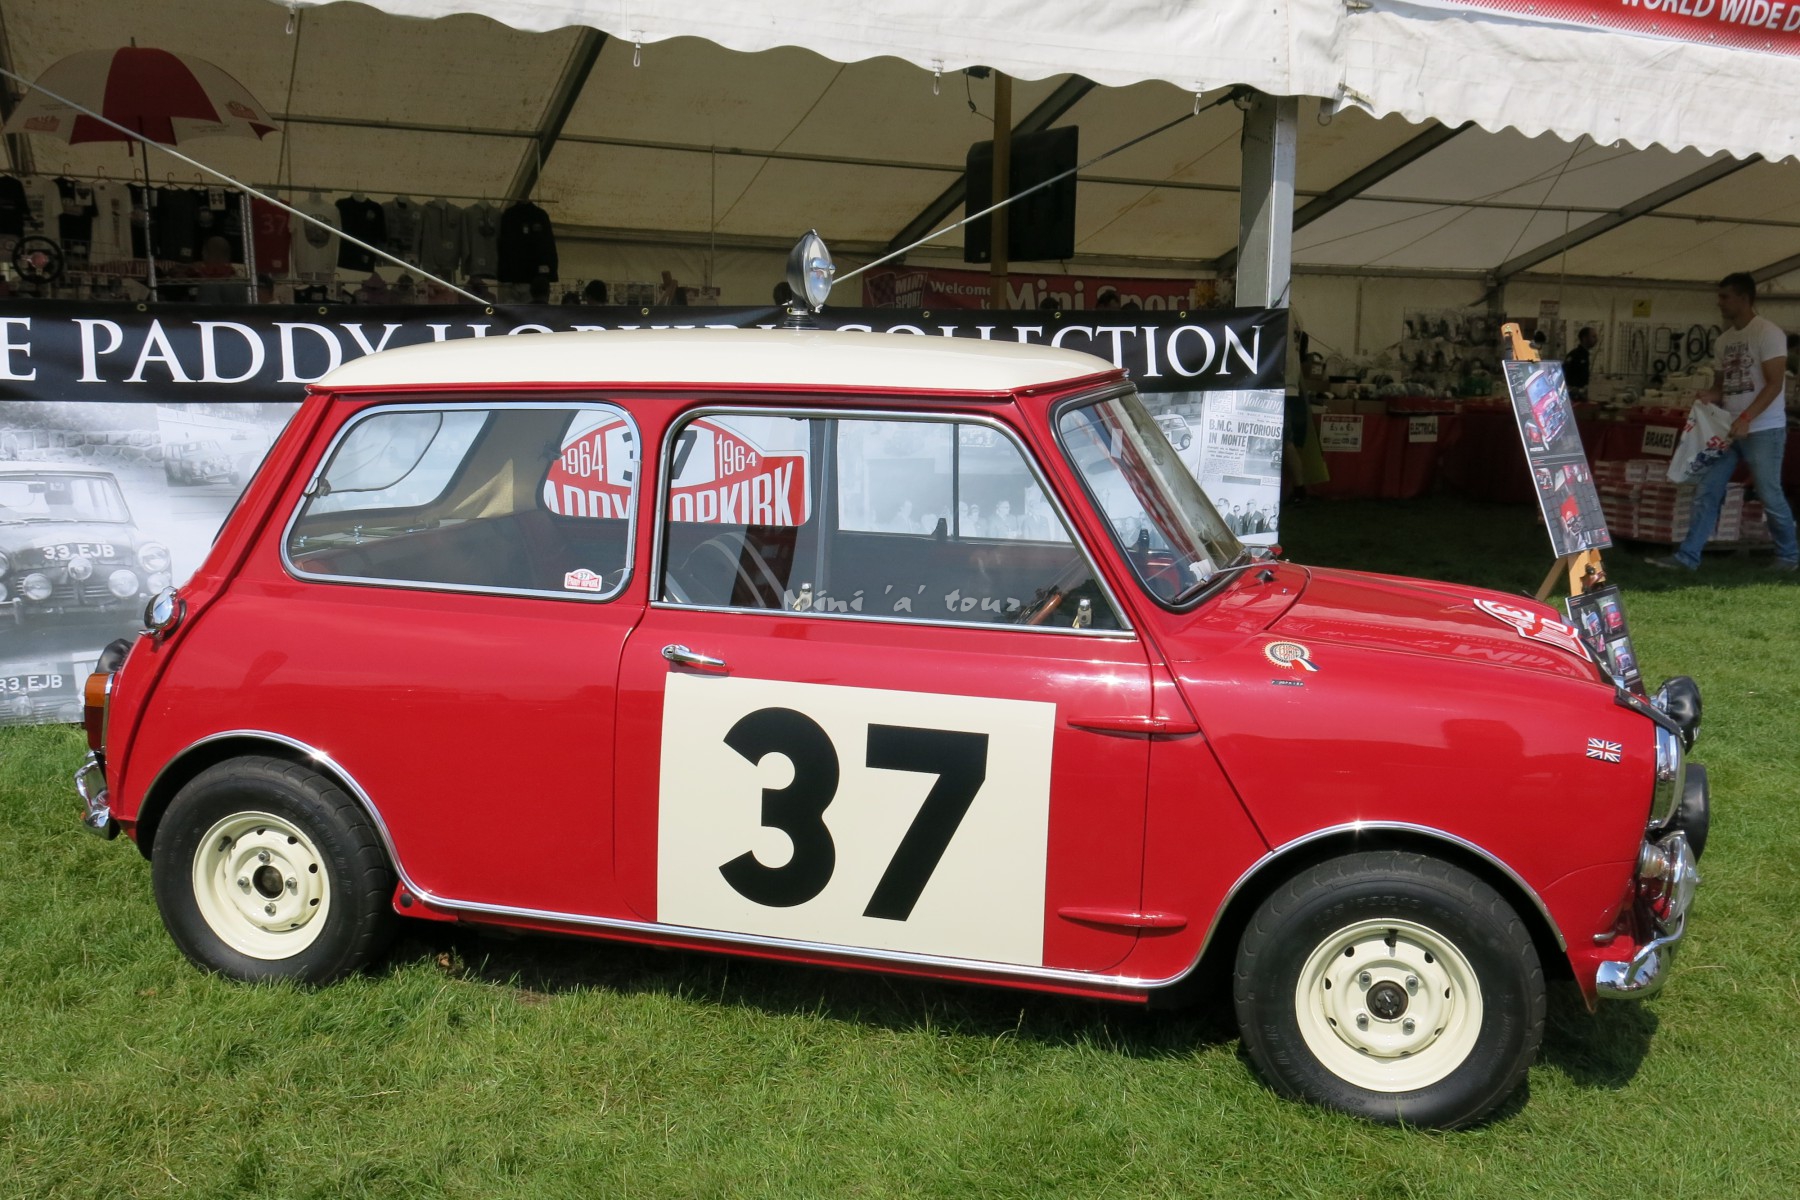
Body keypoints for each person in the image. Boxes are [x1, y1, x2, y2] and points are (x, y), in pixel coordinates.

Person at [1648, 272, 1798, 572]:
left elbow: (1774, 384)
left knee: (1769, 494)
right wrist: (1709, 396)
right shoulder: (1724, 340)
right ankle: (1688, 556)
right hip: (1728, 429)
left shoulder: (1768, 333)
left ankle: (1789, 555)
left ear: (1744, 297)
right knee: (1708, 490)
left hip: (1763, 428)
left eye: (1724, 296)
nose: (1719, 302)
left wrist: (1746, 417)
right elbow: (1722, 386)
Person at [1565, 327, 1597, 395]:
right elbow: (1565, 374)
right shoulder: (1574, 355)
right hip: (1574, 395)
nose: (1596, 339)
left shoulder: (1585, 355)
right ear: (1584, 338)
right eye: (1593, 336)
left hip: (1584, 393)